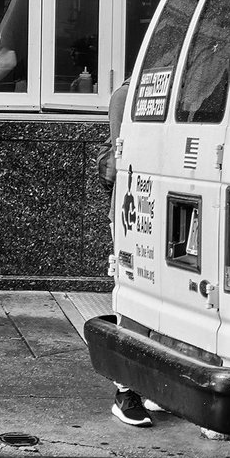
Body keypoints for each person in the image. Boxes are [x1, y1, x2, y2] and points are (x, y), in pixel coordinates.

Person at [101, 75, 157, 428]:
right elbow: (117, 158)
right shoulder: (128, 93)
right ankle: (126, 389)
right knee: (136, 291)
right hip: (134, 208)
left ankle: (146, 386)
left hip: (149, 206)